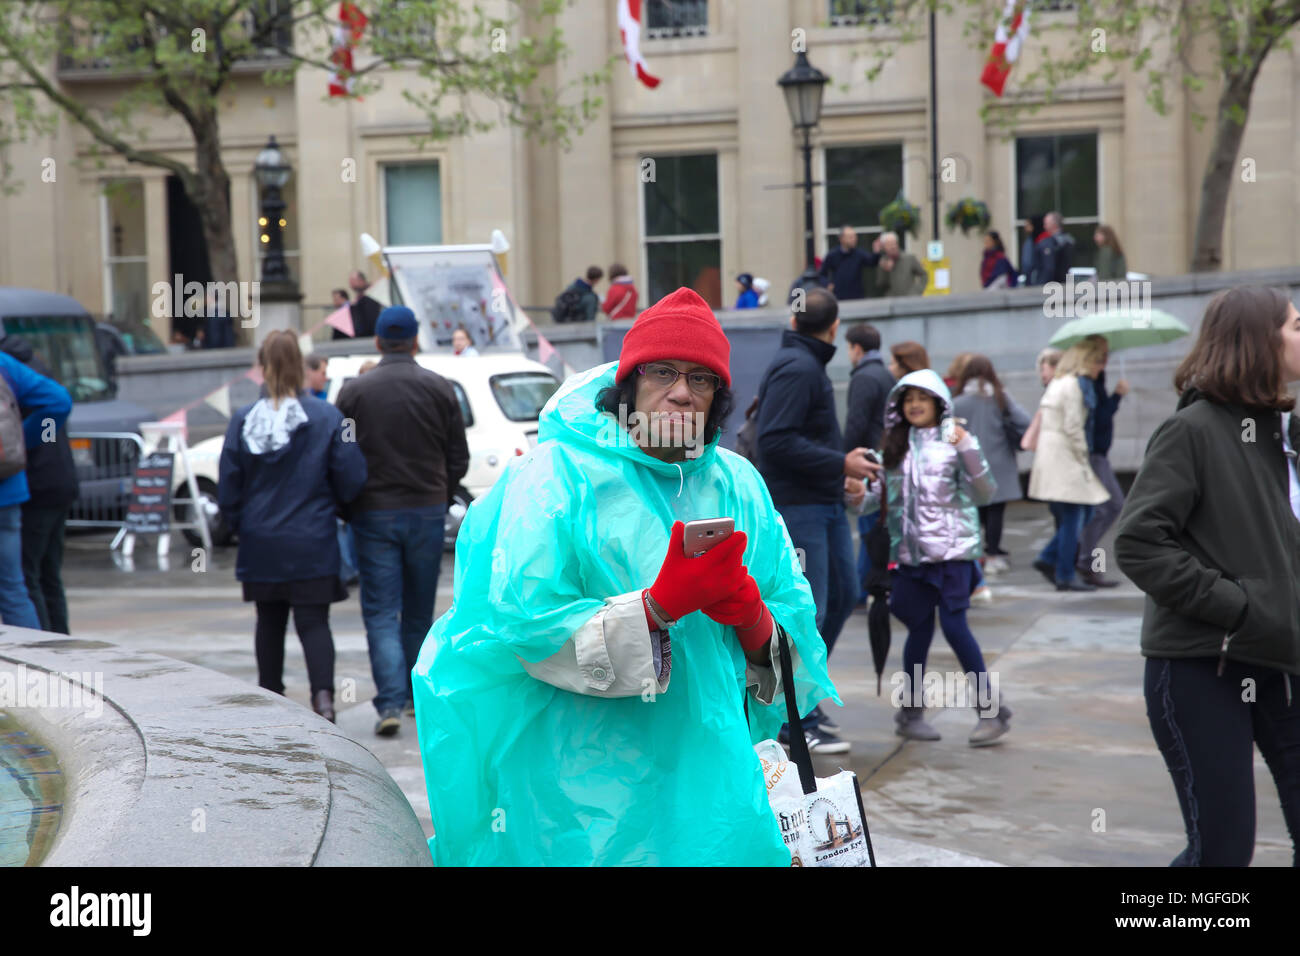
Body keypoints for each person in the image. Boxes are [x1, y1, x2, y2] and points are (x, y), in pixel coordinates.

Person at [411, 287, 838, 865]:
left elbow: (793, 641)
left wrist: (753, 619)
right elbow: (519, 629)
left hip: (714, 783)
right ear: (629, 384)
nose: (682, 392)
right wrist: (654, 609)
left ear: (718, 398)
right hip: (580, 791)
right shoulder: (552, 479)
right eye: (663, 371)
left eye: (702, 379)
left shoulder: (741, 486)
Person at [1115, 285, 1300, 867]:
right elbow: (1138, 543)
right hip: (1201, 666)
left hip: (1282, 660)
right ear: (1259, 341)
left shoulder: (1281, 432)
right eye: (1297, 326)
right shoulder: (1193, 430)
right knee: (1221, 853)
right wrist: (1240, 606)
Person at [753, 288, 881, 753]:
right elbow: (775, 441)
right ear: (834, 327)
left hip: (820, 501)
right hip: (798, 506)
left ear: (793, 321)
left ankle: (797, 700)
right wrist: (839, 464)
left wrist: (837, 473)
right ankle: (789, 713)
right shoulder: (799, 368)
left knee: (844, 595)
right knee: (810, 611)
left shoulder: (804, 363)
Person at [217, 331, 367, 722]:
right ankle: (324, 701)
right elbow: (351, 476)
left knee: (268, 621)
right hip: (312, 536)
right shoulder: (328, 416)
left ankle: (271, 697)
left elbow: (228, 484)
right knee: (314, 622)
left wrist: (240, 525)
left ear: (262, 369)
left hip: (261, 538)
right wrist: (336, 509)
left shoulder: (243, 420)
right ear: (301, 366)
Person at [856, 369, 1010, 745]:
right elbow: (870, 504)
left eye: (922, 399)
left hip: (954, 556)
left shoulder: (957, 440)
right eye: (908, 400)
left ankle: (992, 712)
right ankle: (910, 714)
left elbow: (986, 492)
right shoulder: (892, 448)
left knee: (956, 628)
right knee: (919, 629)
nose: (915, 406)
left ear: (939, 403)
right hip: (910, 559)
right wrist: (853, 493)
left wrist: (967, 448)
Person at [336, 306, 470, 736]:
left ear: (377, 342)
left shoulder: (354, 392)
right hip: (427, 510)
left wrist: (351, 502)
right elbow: (458, 456)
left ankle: (390, 701)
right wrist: (440, 491)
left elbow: (343, 454)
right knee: (417, 610)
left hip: (373, 512)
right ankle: (414, 696)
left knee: (379, 611)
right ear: (415, 341)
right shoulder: (440, 388)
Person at [1, 337, 76, 633]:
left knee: (30, 578)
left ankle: (50, 647)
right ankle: (55, 650)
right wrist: (29, 437)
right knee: (28, 583)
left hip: (39, 486)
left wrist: (30, 440)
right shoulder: (27, 371)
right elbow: (60, 402)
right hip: (36, 487)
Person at [1028, 338, 1110, 591]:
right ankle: (1064, 573)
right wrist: (1082, 457)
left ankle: (1049, 559)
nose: (1101, 366)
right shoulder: (1074, 385)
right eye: (1098, 361)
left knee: (1080, 513)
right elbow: (1074, 428)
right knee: (1077, 514)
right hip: (1065, 455)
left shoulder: (1061, 382)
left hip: (1054, 454)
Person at [952, 355, 1031, 575]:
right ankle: (994, 555)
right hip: (1000, 462)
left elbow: (946, 434)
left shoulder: (957, 403)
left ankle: (975, 555)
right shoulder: (1000, 397)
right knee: (996, 509)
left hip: (968, 463)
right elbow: (1024, 420)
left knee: (974, 511)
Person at [843, 323, 896, 603]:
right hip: (883, 458)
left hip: (866, 461)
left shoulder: (863, 377)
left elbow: (856, 423)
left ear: (857, 348)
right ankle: (870, 585)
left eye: (849, 348)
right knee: (875, 525)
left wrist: (844, 460)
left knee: (866, 526)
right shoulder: (886, 375)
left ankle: (862, 589)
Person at [1074, 334, 1128, 587]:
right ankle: (1084, 561)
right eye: (1101, 357)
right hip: (1093, 453)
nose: (1104, 362)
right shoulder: (1086, 383)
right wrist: (1117, 396)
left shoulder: (1095, 380)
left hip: (1098, 453)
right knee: (1107, 506)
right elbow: (1100, 419)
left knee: (1104, 507)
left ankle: (1081, 559)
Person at [818, 226, 881, 301]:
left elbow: (872, 262)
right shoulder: (832, 255)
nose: (854, 239)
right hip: (838, 297)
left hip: (857, 296)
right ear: (841, 239)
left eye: (855, 236)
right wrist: (827, 284)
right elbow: (822, 274)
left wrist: (876, 252)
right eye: (851, 237)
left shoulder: (859, 254)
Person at [876, 232, 928, 298]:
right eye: (889, 244)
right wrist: (886, 271)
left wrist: (917, 291)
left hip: (909, 300)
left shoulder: (909, 258)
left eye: (894, 243)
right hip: (892, 302)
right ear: (884, 247)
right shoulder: (882, 262)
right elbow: (881, 285)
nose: (893, 247)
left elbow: (924, 275)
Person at [1031, 211, 1075, 287]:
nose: (1044, 227)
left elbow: (1049, 268)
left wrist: (1040, 285)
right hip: (1065, 283)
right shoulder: (1069, 240)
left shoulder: (1050, 243)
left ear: (1054, 224)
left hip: (1051, 287)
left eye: (1046, 224)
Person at [1019, 215, 1044, 286]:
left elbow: (1028, 262)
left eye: (1028, 225)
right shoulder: (1030, 240)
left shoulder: (1037, 241)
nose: (1025, 227)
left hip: (1034, 276)